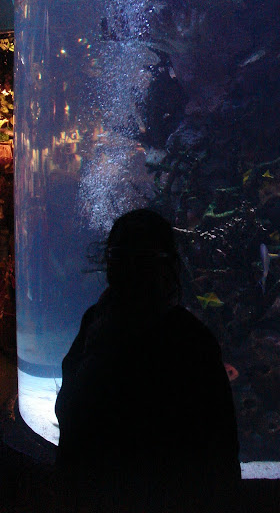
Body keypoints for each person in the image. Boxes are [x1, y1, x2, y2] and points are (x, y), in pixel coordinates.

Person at [55, 209, 241, 513]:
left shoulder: (95, 324)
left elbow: (67, 411)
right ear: (168, 265)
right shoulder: (191, 339)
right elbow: (222, 454)